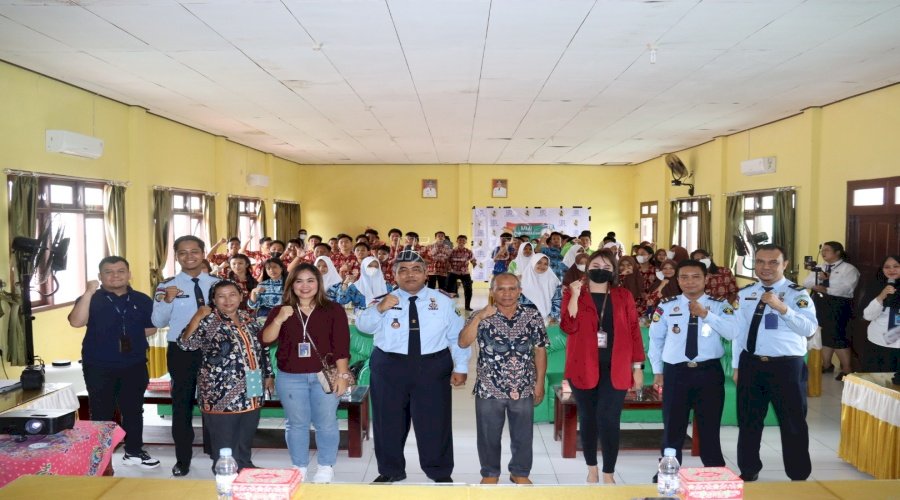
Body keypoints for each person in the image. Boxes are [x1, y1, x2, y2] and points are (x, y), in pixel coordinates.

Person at [356, 250, 471, 483]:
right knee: (388, 422)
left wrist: (461, 366)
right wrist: (380, 309)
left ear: (426, 273)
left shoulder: (443, 301)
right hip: (389, 366)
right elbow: (363, 326)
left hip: (432, 366)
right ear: (395, 275)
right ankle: (390, 470)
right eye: (403, 270)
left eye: (416, 269)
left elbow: (456, 337)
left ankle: (439, 471)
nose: (410, 275)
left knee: (435, 421)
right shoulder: (381, 300)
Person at [732, 244, 817, 482]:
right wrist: (738, 366)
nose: (766, 267)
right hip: (751, 364)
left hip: (787, 367)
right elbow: (740, 332)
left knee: (793, 423)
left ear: (785, 264)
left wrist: (783, 308)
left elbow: (809, 329)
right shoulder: (745, 293)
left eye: (773, 262)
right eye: (760, 262)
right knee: (749, 422)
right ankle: (748, 470)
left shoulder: (798, 294)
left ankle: (798, 474)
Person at [261, 263, 352, 483]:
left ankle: (325, 466)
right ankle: (299, 466)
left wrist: (342, 375)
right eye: (299, 281)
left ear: (318, 283)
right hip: (290, 377)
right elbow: (266, 339)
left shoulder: (333, 309)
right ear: (291, 285)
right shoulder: (280, 310)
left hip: (324, 376)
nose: (305, 286)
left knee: (326, 422)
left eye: (310, 280)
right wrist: (280, 318)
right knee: (296, 423)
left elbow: (341, 345)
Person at [560, 249, 645, 484]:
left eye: (607, 267)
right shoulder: (574, 292)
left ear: (614, 272)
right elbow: (568, 326)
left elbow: (634, 331)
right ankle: (592, 468)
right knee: (588, 418)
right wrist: (575, 295)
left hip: (615, 368)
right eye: (596, 265)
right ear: (587, 267)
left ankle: (608, 472)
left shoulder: (623, 295)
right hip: (582, 367)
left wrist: (638, 366)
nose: (601, 270)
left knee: (609, 419)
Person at [67, 256, 160, 469]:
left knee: (134, 410)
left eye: (120, 271)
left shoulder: (141, 299)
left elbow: (151, 328)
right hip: (99, 365)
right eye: (109, 272)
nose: (115, 275)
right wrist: (89, 292)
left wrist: (129, 334)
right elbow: (76, 322)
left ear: (129, 274)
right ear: (100, 277)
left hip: (134, 364)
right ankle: (101, 458)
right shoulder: (91, 298)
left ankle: (134, 452)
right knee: (101, 412)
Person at [648, 260, 738, 474]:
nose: (690, 282)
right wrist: (657, 371)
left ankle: (715, 468)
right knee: (673, 425)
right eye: (684, 277)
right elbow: (655, 340)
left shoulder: (719, 305)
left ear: (706, 279)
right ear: (677, 280)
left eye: (696, 277)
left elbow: (733, 332)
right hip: (675, 372)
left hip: (708, 372)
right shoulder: (667, 305)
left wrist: (706, 314)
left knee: (709, 424)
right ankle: (668, 469)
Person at [458, 273, 548, 485]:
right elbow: (463, 342)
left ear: (520, 291)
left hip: (524, 385)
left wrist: (539, 383)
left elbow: (540, 351)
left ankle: (520, 472)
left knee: (523, 435)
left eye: (512, 289)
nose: (506, 293)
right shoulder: (481, 315)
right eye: (501, 289)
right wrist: (479, 317)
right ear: (492, 292)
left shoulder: (532, 315)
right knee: (488, 435)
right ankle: (489, 473)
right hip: (489, 387)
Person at [178, 280, 273, 472]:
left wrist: (269, 374)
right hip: (219, 389)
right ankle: (224, 469)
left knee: (247, 429)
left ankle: (245, 465)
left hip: (252, 382)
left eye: (232, 294)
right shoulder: (209, 321)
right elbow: (185, 344)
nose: (227, 300)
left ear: (240, 296)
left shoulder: (249, 318)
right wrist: (197, 317)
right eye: (221, 296)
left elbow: (263, 348)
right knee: (225, 434)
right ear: (214, 299)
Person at [152, 235, 220, 477]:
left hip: (214, 350)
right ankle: (183, 459)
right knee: (181, 405)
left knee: (214, 404)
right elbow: (157, 322)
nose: (189, 256)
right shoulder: (166, 286)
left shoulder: (217, 284)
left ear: (203, 254)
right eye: (183, 252)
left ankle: (217, 457)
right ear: (177, 256)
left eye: (194, 251)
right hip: (180, 351)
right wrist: (167, 301)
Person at [802, 241, 860, 380]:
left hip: (839, 305)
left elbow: (847, 288)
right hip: (820, 303)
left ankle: (847, 369)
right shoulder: (819, 267)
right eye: (822, 250)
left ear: (837, 252)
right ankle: (827, 365)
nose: (823, 252)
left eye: (827, 250)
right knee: (823, 334)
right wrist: (819, 282)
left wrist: (826, 285)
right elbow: (807, 283)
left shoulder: (849, 269)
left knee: (838, 335)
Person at [860, 255, 900, 382]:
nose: (891, 270)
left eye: (896, 266)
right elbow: (867, 316)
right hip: (878, 342)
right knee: (877, 383)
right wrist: (881, 296)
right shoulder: (876, 285)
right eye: (887, 267)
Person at [519, 254, 562, 323]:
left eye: (546, 264)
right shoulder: (521, 281)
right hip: (526, 321)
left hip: (549, 321)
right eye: (539, 262)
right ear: (533, 262)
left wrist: (552, 317)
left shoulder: (553, 281)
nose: (542, 266)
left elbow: (558, 300)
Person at [447, 235, 477, 311]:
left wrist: (474, 264)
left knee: (468, 290)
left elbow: (473, 260)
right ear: (457, 241)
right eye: (460, 240)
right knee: (449, 290)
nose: (461, 242)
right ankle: (449, 307)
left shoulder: (468, 251)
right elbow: (447, 261)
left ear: (466, 242)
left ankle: (467, 306)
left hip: (465, 273)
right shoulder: (451, 251)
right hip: (453, 272)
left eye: (463, 240)